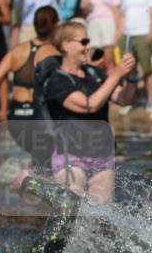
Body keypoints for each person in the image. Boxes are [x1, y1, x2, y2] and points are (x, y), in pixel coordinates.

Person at [44, 22, 136, 203]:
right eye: (84, 42)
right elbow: (90, 105)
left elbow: (123, 99)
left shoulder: (95, 73)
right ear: (65, 45)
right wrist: (116, 74)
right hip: (71, 157)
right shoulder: (56, 81)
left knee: (102, 217)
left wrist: (131, 77)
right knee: (72, 203)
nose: (88, 47)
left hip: (102, 156)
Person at [0, 6, 59, 171]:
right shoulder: (55, 53)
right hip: (40, 119)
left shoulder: (17, 51)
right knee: (45, 164)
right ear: (56, 25)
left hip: (16, 119)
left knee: (38, 158)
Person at [118, 0, 152, 112]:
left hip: (143, 33)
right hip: (127, 34)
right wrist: (119, 33)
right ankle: (129, 100)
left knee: (147, 69)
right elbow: (122, 15)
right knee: (128, 70)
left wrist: (151, 32)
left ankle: (150, 101)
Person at [81, 0, 121, 73]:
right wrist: (86, 7)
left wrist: (118, 30)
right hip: (93, 22)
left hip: (107, 23)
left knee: (109, 59)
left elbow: (116, 10)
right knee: (93, 58)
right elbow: (84, 12)